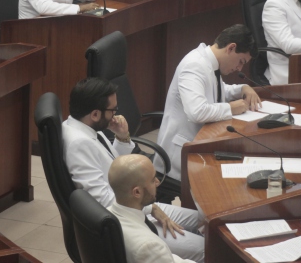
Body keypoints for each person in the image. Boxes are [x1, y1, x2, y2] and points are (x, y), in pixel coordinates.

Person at [62, 77, 205, 263]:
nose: (115, 115)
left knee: (205, 219)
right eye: (112, 110)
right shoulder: (79, 144)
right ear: (95, 114)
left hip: (135, 204)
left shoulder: (83, 127)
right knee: (205, 248)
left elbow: (117, 168)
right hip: (128, 220)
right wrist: (150, 208)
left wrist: (122, 138)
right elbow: (103, 201)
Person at [154, 24, 261, 181]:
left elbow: (217, 90)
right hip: (181, 153)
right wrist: (231, 108)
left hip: (202, 143)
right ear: (231, 48)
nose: (239, 68)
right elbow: (197, 112)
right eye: (241, 61)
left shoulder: (210, 62)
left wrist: (243, 88)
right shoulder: (194, 65)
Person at [108, 155, 194, 263]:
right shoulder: (149, 246)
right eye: (153, 180)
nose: (158, 182)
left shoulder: (109, 213)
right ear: (137, 192)